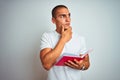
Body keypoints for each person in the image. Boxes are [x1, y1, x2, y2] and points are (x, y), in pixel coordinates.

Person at [40, 5, 90, 80]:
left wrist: (82, 66)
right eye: (62, 16)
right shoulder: (47, 36)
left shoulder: (80, 38)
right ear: (53, 20)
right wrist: (63, 39)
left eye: (69, 15)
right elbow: (46, 65)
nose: (68, 20)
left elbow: (87, 63)